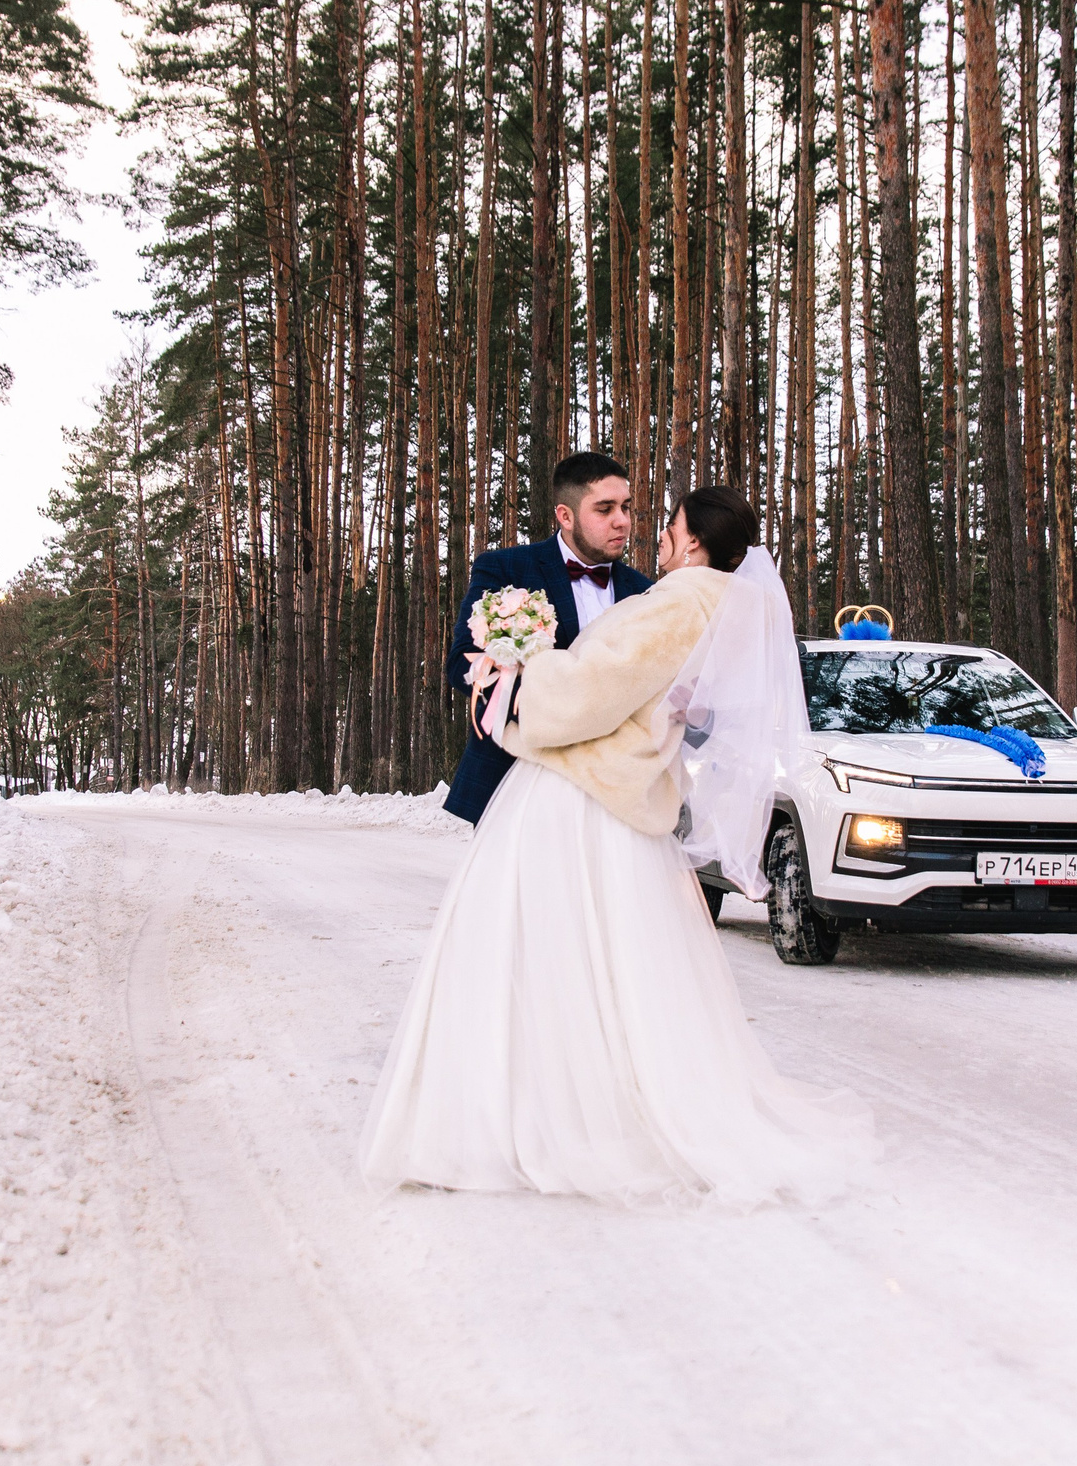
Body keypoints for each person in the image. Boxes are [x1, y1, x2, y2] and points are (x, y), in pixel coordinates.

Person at [362, 487, 878, 1206]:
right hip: (622, 793)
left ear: (694, 542)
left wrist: (518, 678)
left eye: (667, 525)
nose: (654, 535)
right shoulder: (721, 607)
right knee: (610, 966)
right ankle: (569, 1095)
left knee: (536, 953)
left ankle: (546, 1116)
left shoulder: (679, 601)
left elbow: (589, 691)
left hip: (585, 793)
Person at [442, 453, 654, 825]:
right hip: (519, 782)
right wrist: (550, 709)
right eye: (604, 509)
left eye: (625, 507)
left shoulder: (645, 592)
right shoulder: (505, 568)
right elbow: (464, 661)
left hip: (616, 792)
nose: (622, 521)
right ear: (565, 516)